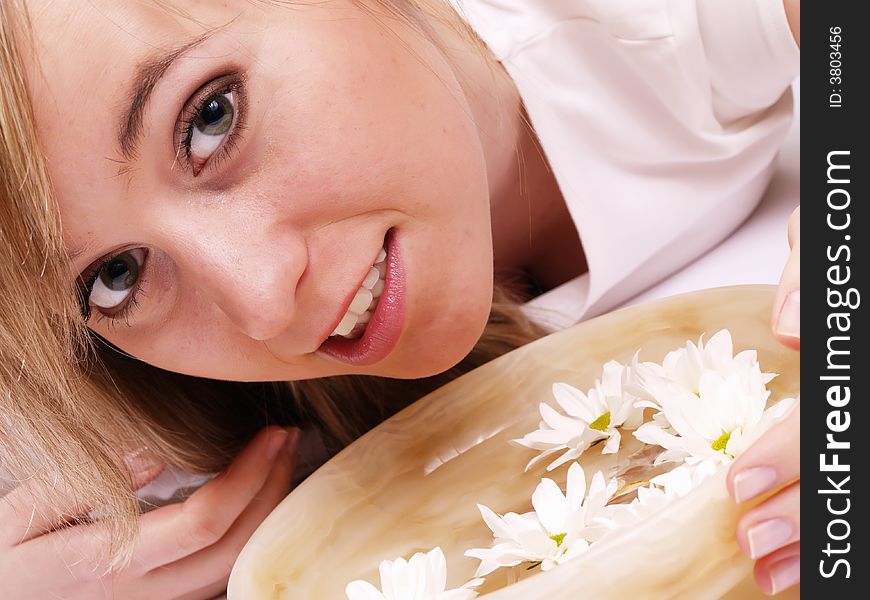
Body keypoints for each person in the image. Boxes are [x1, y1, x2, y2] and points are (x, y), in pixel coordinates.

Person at [0, 0, 800, 597]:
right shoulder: (141, 425)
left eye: (211, 117)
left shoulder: (621, 24)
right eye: (118, 276)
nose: (264, 301)